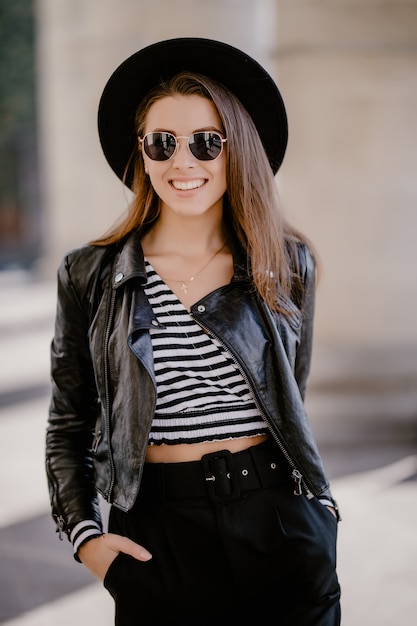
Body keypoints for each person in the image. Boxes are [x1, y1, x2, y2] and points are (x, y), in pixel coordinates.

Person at [46, 37, 341, 625]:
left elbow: (289, 400)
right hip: (158, 537)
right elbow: (69, 424)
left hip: (279, 526)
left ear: (237, 151)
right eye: (164, 143)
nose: (184, 163)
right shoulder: (91, 274)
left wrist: (321, 517)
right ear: (143, 153)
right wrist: (86, 539)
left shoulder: (286, 263)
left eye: (207, 143)